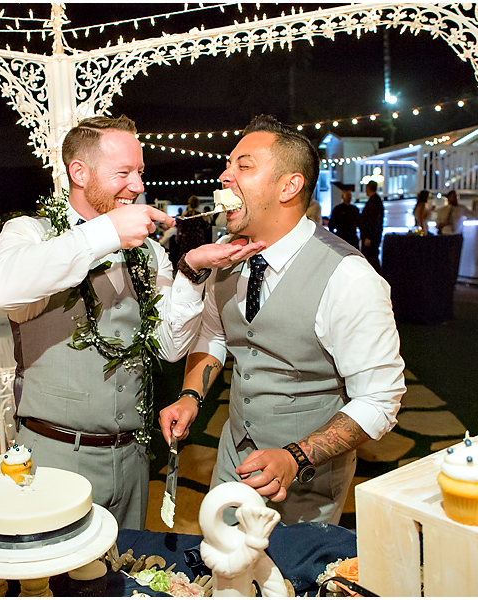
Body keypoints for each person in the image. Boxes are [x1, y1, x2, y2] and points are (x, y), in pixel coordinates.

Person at [0, 115, 261, 529]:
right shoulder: (30, 233)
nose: (137, 186)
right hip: (55, 458)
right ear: (79, 172)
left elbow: (169, 347)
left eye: (140, 172)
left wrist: (190, 273)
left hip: (132, 456)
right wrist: (105, 232)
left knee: (124, 579)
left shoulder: (148, 253)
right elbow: (4, 289)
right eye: (123, 173)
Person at [158, 115, 406, 526]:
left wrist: (296, 456)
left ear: (288, 186)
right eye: (228, 165)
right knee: (224, 573)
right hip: (233, 461)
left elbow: (379, 399)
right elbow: (216, 336)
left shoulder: (349, 277)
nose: (225, 176)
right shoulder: (223, 255)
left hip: (307, 483)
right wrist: (191, 397)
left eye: (243, 166)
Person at [173, 195, 212, 265]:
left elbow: (179, 227)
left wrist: (177, 236)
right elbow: (206, 227)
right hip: (197, 239)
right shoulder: (200, 215)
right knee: (198, 258)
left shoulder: (184, 215)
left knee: (186, 258)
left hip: (186, 239)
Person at [359, 180, 384, 272]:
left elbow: (372, 221)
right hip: (374, 236)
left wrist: (369, 236)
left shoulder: (373, 202)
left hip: (370, 237)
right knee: (372, 258)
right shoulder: (376, 201)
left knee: (370, 258)